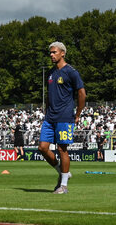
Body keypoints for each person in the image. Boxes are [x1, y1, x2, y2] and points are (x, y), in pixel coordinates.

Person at [37, 42, 86, 194]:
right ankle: (62, 172)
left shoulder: (71, 72)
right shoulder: (51, 73)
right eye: (50, 53)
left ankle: (63, 186)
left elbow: (82, 93)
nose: (51, 55)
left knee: (62, 149)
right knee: (42, 148)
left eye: (54, 52)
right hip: (50, 117)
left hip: (64, 117)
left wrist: (77, 114)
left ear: (62, 53)